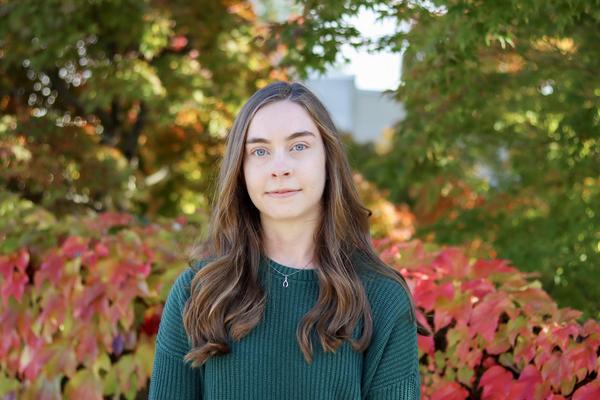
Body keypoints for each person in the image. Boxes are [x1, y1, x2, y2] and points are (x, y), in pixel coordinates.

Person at [149, 81, 426, 399]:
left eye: (299, 146)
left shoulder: (381, 298)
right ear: (241, 170)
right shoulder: (197, 293)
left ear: (328, 158)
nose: (280, 168)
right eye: (260, 151)